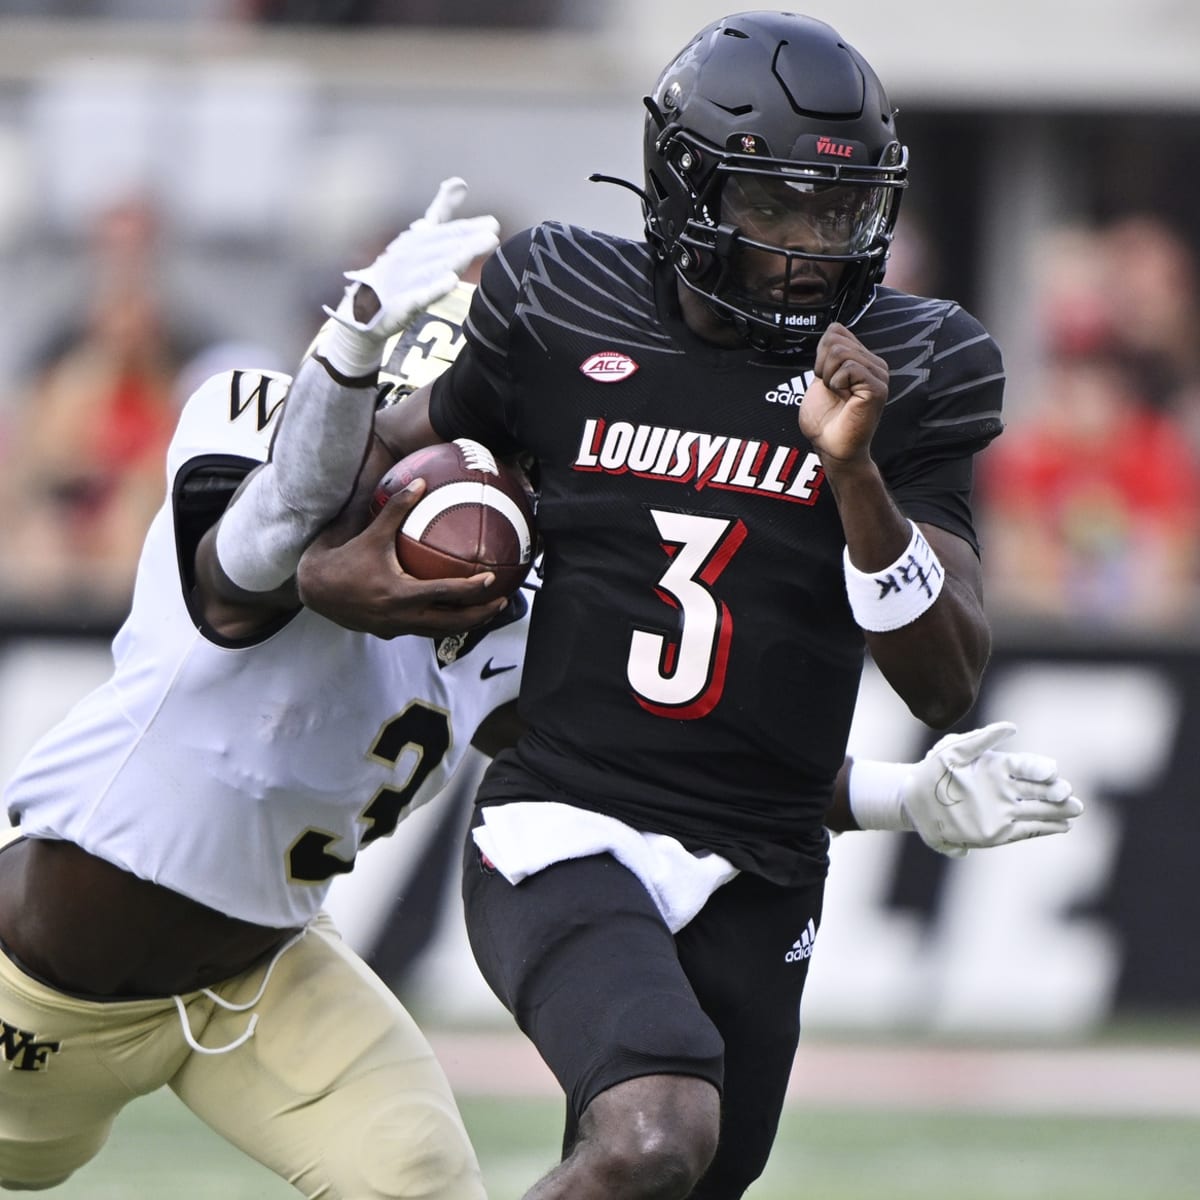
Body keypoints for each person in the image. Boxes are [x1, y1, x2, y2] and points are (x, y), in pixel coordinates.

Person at [295, 14, 1079, 1200]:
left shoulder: (915, 364)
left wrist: (854, 473)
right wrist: (321, 553)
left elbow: (942, 675)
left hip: (766, 854)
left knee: (684, 1178)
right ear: (687, 186)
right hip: (562, 821)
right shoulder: (561, 303)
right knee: (653, 1137)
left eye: (841, 213)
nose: (813, 251)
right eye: (774, 210)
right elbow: (367, 484)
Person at [0, 180, 512, 1197]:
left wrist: (886, 795)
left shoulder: (523, 589)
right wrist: (357, 341)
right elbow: (260, 549)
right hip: (32, 997)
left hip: (261, 981)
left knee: (420, 1176)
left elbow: (646, 755)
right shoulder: (248, 421)